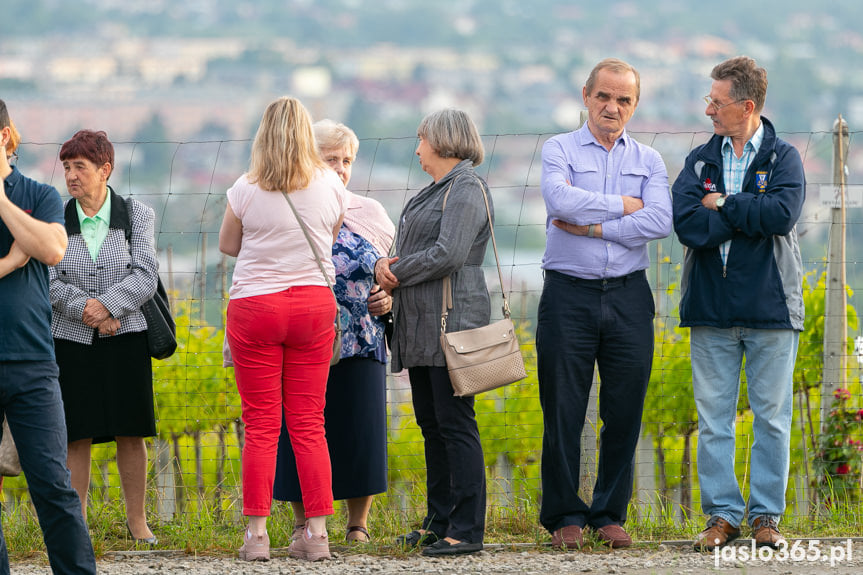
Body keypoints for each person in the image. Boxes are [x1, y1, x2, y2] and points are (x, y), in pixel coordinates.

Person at [536, 58, 672, 550]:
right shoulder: (559, 149)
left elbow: (659, 221)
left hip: (629, 294)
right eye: (604, 96)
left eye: (624, 100)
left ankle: (609, 513)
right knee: (563, 407)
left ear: (634, 106)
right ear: (586, 95)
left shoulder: (650, 160)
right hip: (568, 293)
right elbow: (559, 201)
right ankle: (564, 515)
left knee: (625, 407)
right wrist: (623, 205)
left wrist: (593, 223)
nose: (612, 107)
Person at [672, 56, 805, 552]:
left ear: (746, 106)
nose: (708, 109)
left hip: (771, 309)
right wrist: (748, 210)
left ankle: (766, 515)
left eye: (717, 101)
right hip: (710, 309)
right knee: (714, 421)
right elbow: (686, 223)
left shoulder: (784, 157)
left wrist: (724, 203)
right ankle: (722, 515)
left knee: (772, 417)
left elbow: (782, 215)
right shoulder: (700, 160)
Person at [219, 96, 347, 562]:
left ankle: (256, 536)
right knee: (310, 422)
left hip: (256, 306)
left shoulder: (245, 187)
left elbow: (228, 244)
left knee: (261, 424)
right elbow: (328, 235)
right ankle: (316, 534)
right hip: (313, 304)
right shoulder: (331, 183)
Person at [375, 108, 491, 557]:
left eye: (421, 139)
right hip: (421, 325)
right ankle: (438, 520)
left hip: (453, 324)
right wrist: (385, 269)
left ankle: (466, 528)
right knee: (432, 424)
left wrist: (396, 272)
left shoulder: (466, 189)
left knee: (456, 424)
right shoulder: (433, 192)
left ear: (442, 141)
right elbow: (412, 250)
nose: (417, 148)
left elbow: (449, 253)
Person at [273, 120, 394, 543]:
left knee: (360, 429)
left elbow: (392, 271)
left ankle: (357, 524)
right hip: (305, 335)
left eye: (346, 161)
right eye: (331, 159)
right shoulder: (288, 205)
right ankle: (302, 520)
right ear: (309, 159)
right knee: (302, 429)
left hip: (362, 335)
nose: (341, 168)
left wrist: (387, 299)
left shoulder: (370, 212)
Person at [0, 99, 97, 574]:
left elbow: (54, 249)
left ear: (3, 138)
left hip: (31, 361)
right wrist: (12, 260)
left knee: (53, 485)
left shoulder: (38, 195)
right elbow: (34, 247)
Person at [49, 129, 159, 546]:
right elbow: (49, 280)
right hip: (72, 340)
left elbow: (146, 274)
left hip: (126, 335)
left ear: (105, 169)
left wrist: (109, 307)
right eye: (66, 167)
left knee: (130, 430)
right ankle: (75, 526)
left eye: (80, 167)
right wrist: (87, 311)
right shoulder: (56, 218)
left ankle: (138, 523)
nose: (71, 176)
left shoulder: (137, 215)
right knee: (76, 433)